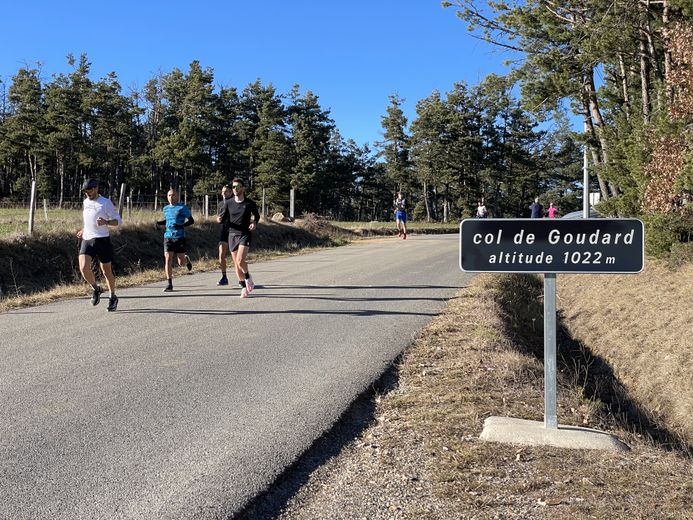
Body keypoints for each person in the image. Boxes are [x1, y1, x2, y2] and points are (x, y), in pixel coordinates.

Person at [76, 178, 122, 312]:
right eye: (85, 191)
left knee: (106, 271)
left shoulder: (105, 203)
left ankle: (113, 296)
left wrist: (106, 222)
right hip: (87, 239)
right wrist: (84, 229)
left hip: (102, 240)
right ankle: (96, 289)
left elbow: (118, 222)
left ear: (96, 188)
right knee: (84, 267)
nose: (87, 193)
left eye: (89, 190)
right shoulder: (85, 202)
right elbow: (89, 220)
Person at [216, 178, 260, 298]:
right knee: (236, 264)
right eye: (233, 187)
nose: (235, 189)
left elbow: (256, 216)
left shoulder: (249, 203)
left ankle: (247, 277)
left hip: (244, 234)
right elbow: (223, 217)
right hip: (232, 235)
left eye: (237, 187)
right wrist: (219, 219)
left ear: (243, 188)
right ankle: (243, 287)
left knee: (240, 260)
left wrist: (254, 223)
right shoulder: (228, 203)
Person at [156, 188, 195, 292]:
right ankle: (169, 284)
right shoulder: (166, 208)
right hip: (168, 236)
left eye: (173, 195)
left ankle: (186, 259)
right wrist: (159, 223)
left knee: (181, 263)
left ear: (177, 197)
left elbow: (191, 221)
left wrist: (180, 225)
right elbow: (168, 220)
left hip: (179, 237)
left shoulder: (182, 207)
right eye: (169, 195)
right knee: (168, 258)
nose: (171, 197)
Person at [216, 184, 233, 286]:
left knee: (236, 258)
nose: (223, 193)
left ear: (231, 192)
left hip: (235, 232)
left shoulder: (235, 202)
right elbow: (219, 216)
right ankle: (224, 277)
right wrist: (218, 219)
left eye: (226, 191)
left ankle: (243, 278)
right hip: (224, 231)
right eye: (222, 191)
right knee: (221, 255)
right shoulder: (220, 204)